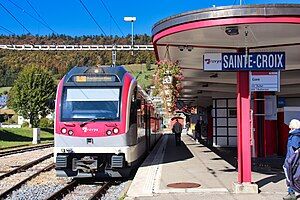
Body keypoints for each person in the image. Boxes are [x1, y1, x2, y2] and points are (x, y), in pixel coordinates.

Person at [283, 119, 300, 200]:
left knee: (290, 175)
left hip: (291, 160)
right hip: (294, 160)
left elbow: (293, 149)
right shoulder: (296, 134)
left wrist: (288, 161)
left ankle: (291, 193)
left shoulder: (295, 136)